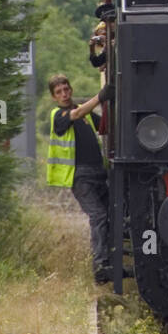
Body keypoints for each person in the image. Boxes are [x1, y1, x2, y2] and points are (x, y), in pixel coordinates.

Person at [47, 73, 114, 284]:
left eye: (66, 89)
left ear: (71, 90)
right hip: (79, 176)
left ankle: (111, 262)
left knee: (112, 216)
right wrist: (100, 97)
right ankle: (100, 266)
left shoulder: (84, 115)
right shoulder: (58, 115)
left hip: (98, 173)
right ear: (53, 97)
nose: (64, 94)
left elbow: (105, 124)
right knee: (99, 216)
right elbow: (77, 113)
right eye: (59, 92)